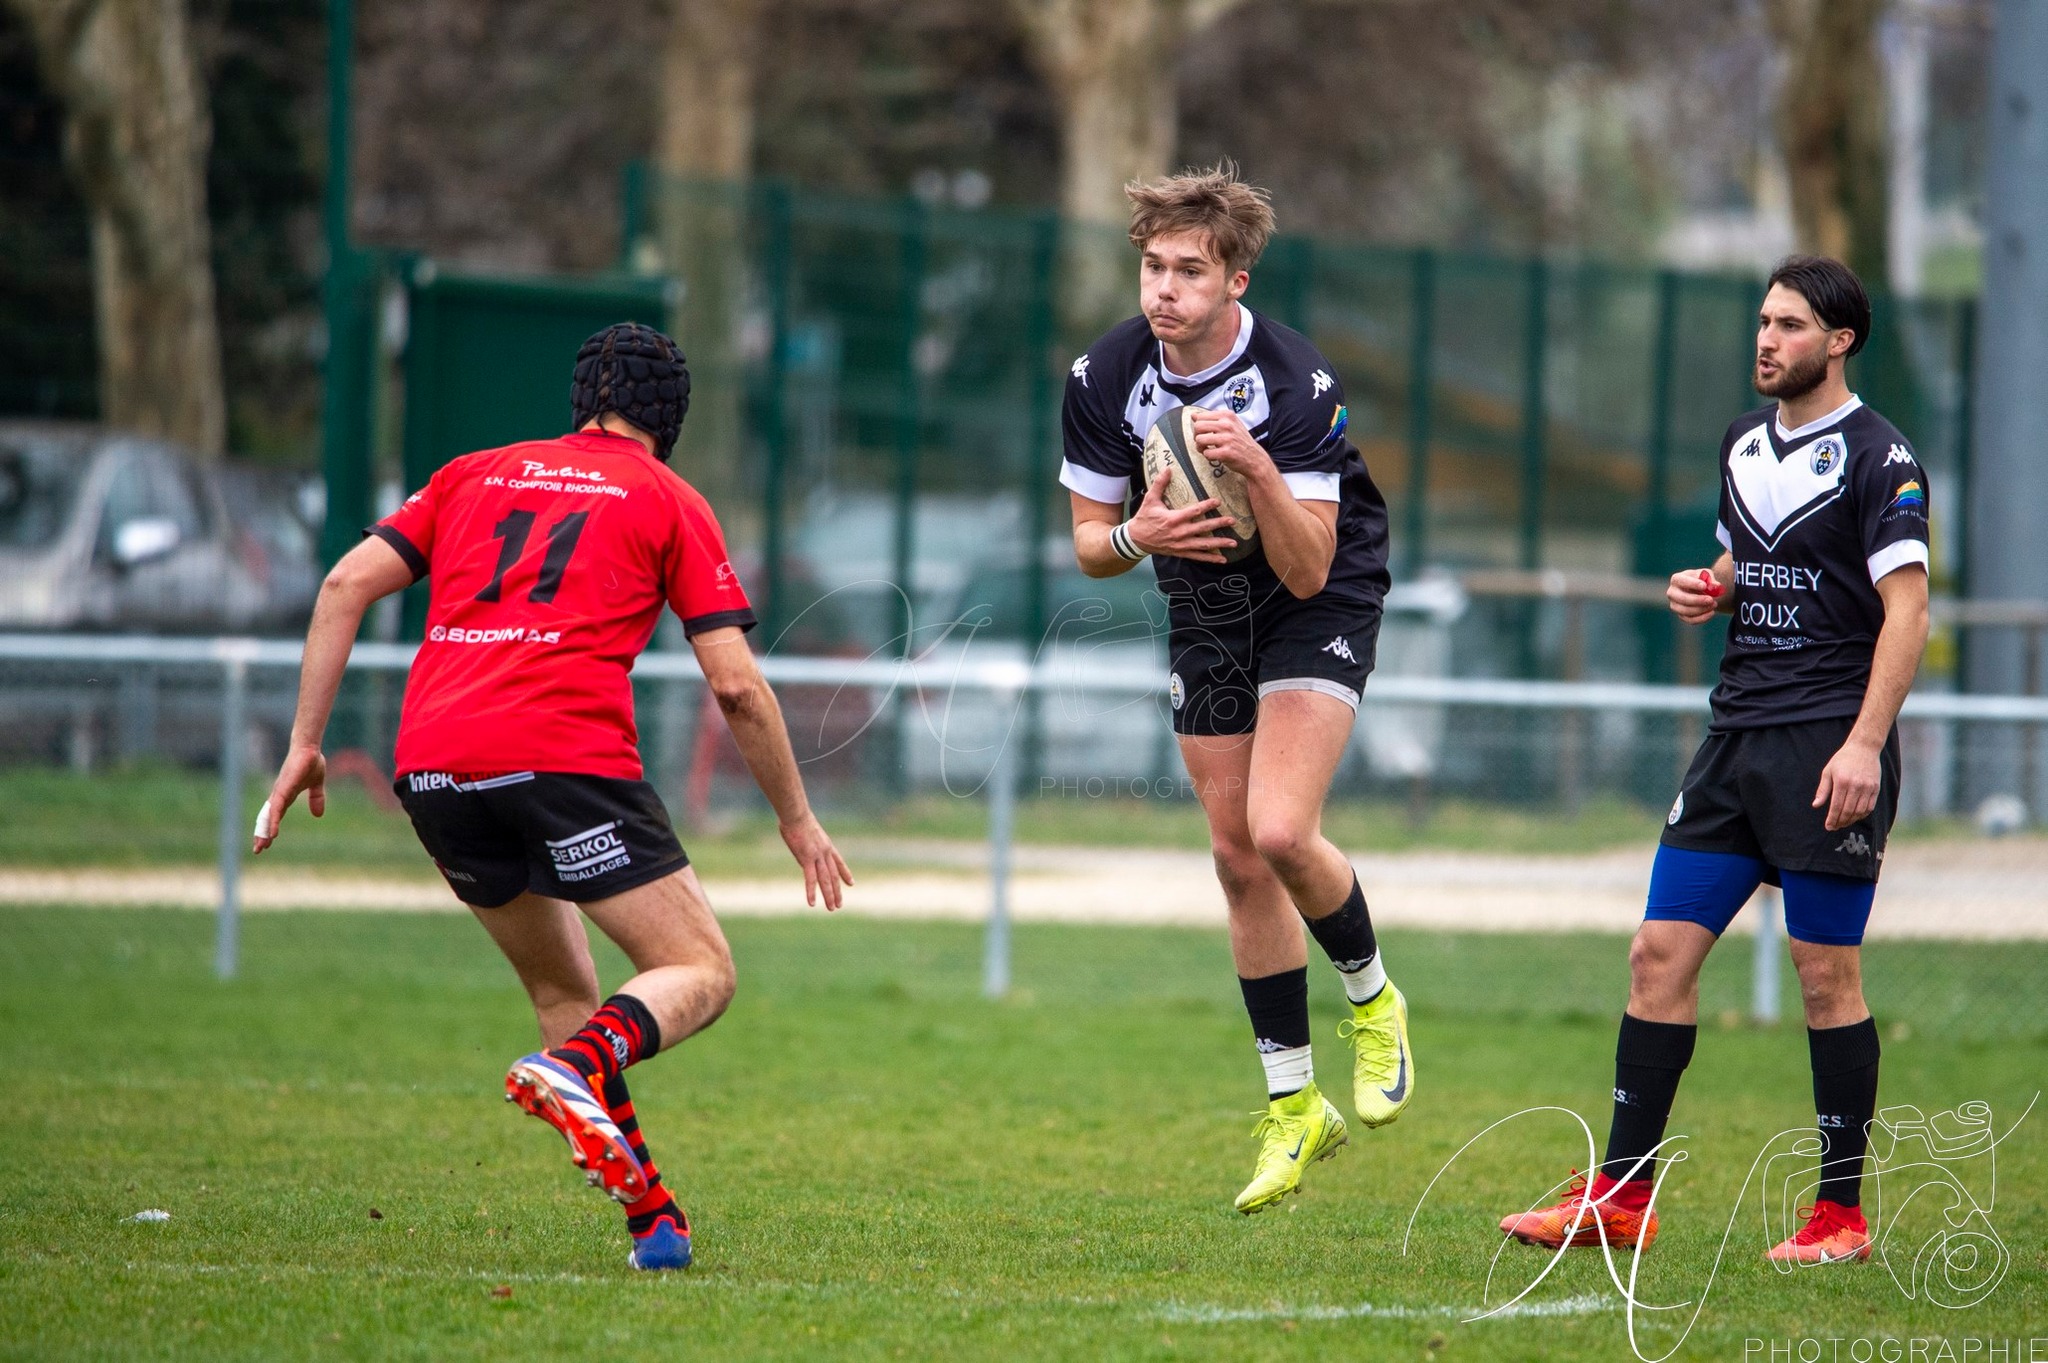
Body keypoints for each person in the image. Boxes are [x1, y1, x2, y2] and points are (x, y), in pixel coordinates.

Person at [252, 322, 853, 1271]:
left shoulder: (470, 472)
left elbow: (342, 582)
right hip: (562, 758)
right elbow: (737, 685)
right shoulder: (667, 497)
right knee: (700, 969)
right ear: (672, 419)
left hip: (436, 768)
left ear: (579, 400)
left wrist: (304, 744)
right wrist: (796, 816)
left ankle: (654, 1222)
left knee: (562, 991)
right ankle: (577, 1066)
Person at [1499, 256, 1930, 1264]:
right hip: (1732, 740)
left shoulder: (1879, 456)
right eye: (1761, 321)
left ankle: (1838, 1217)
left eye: (1786, 325)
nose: (1764, 339)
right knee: (1656, 955)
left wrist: (1863, 744)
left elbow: (1904, 610)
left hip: (1829, 744)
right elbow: (1763, 555)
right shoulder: (1741, 443)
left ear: (1837, 341)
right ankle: (1621, 1196)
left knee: (1824, 975)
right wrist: (1714, 583)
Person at [1060, 165, 1409, 1214]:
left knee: (1280, 831)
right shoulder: (1103, 374)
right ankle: (1293, 1106)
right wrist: (1137, 535)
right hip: (1201, 591)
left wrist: (1254, 468)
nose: (1162, 290)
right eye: (1151, 266)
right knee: (1231, 855)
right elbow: (1086, 545)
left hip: (1315, 589)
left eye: (1187, 271)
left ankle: (1373, 998)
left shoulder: (1292, 381)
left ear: (1234, 281)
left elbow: (1305, 564)